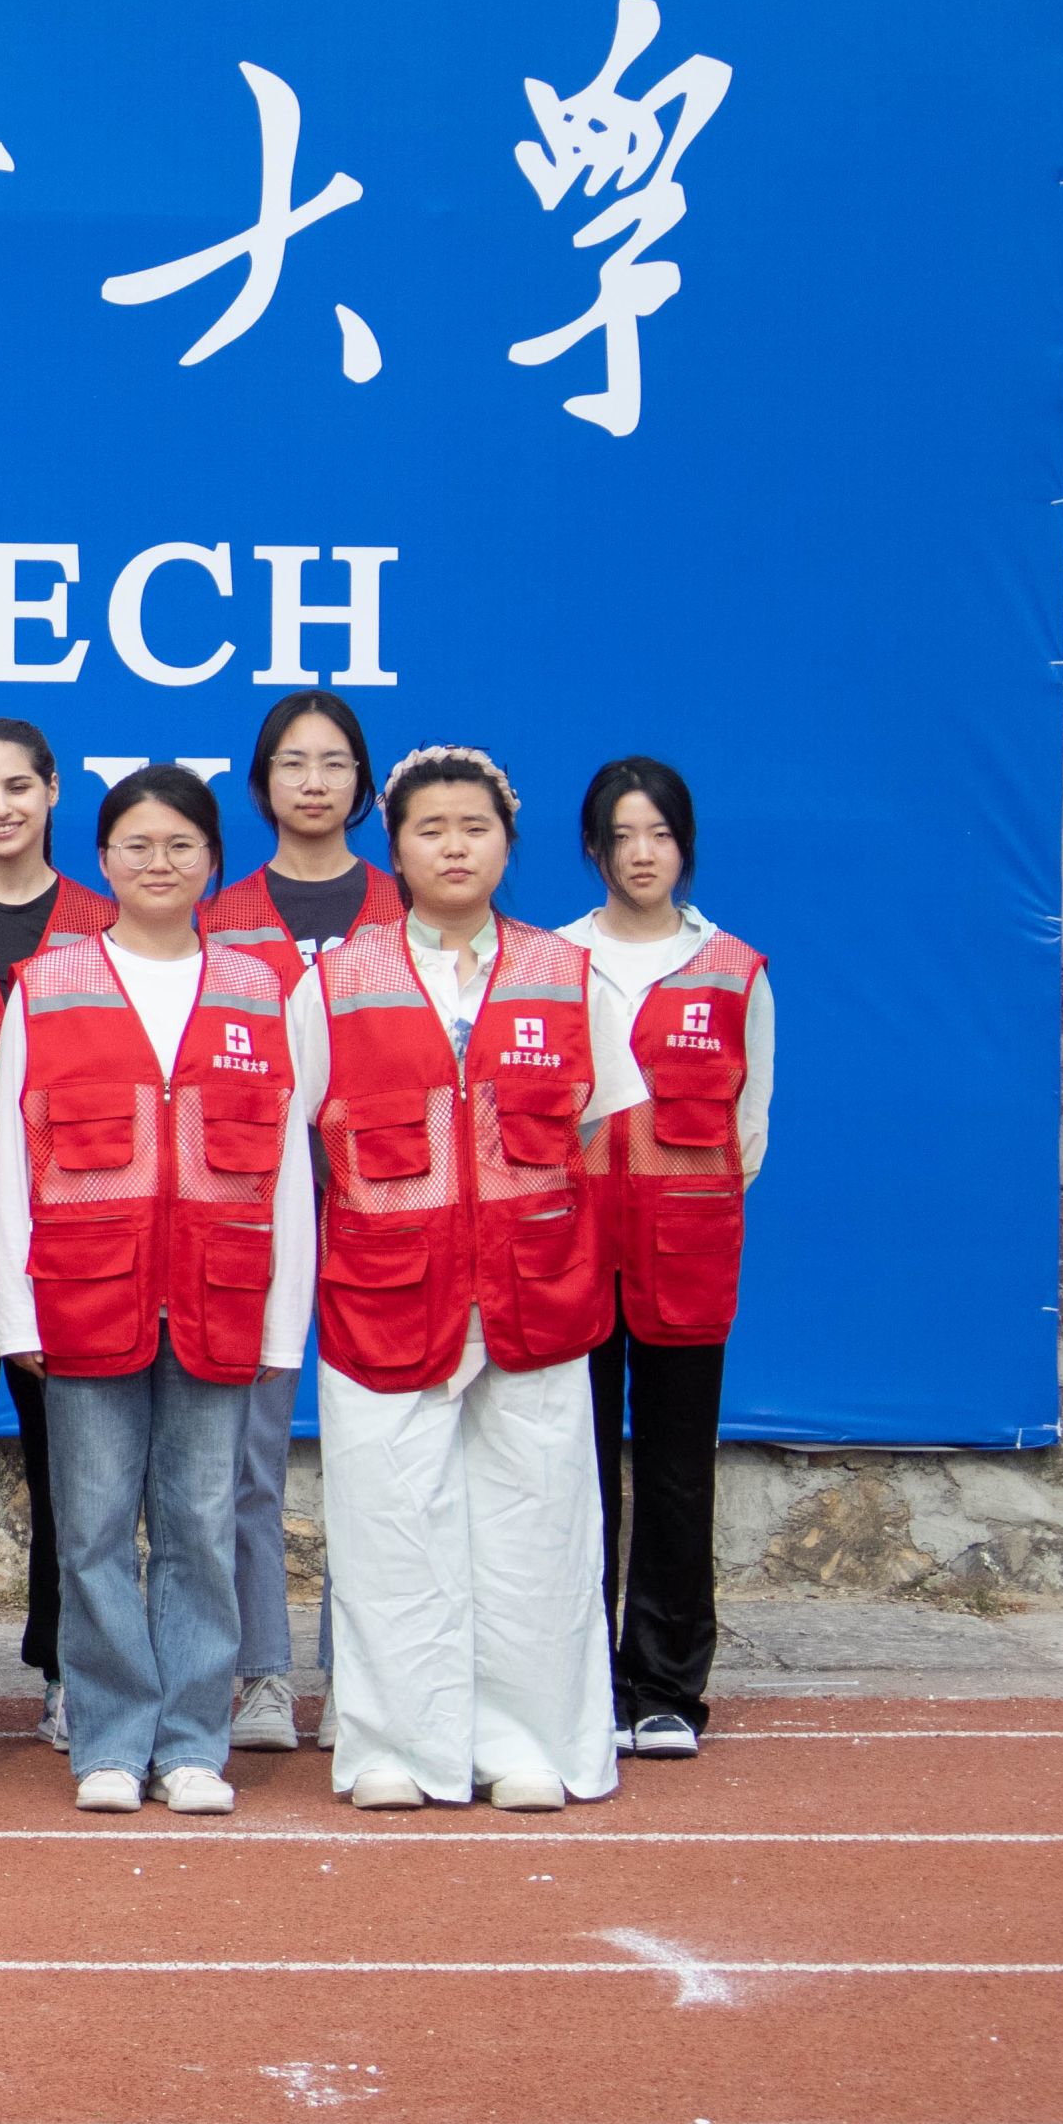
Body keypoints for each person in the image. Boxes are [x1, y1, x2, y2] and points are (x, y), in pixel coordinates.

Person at [0, 767, 319, 1817]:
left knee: (200, 1527)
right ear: (104, 860)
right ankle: (110, 1738)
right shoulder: (47, 986)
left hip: (220, 1302)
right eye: (137, 844)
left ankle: (191, 1742)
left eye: (180, 844)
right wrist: (14, 1315)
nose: (159, 862)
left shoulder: (261, 991)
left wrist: (283, 1326)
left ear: (213, 861)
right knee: (88, 1532)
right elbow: (9, 1163)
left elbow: (288, 1176)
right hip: (86, 1302)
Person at [289, 746, 617, 1813]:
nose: (454, 846)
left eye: (474, 827)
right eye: (430, 829)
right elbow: (295, 1141)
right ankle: (393, 1746)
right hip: (384, 1295)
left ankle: (527, 1744)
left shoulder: (568, 975)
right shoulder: (334, 983)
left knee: (537, 1524)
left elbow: (602, 1128)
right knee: (389, 1524)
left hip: (535, 1294)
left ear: (507, 843)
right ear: (395, 849)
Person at [563, 756, 772, 1761]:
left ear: (685, 845)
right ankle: (583, 1680)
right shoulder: (553, 959)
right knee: (577, 1470)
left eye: (660, 833)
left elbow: (749, 1128)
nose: (642, 853)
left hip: (685, 1254)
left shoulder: (733, 967)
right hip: (569, 1253)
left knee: (680, 1469)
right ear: (593, 847)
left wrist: (681, 1206)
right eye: (622, 835)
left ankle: (667, 1686)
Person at [208, 687, 404, 1758]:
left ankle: (365, 1672)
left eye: (334, 762)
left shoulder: (404, 911)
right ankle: (262, 1674)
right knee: (247, 1458)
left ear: (363, 784)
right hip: (256, 1215)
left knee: (381, 1450)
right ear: (263, 782)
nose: (314, 781)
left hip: (390, 1210)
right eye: (292, 762)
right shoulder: (221, 919)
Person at [0, 715, 113, 1754]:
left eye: (16, 786)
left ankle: (63, 1666)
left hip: (69, 1243)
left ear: (52, 790)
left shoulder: (102, 925)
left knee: (72, 1472)